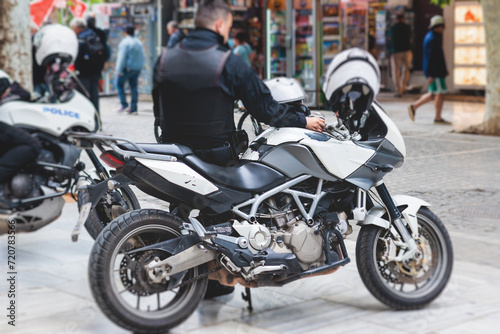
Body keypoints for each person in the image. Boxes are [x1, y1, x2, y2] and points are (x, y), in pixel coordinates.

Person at [152, 0, 324, 298]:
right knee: (223, 215)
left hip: (172, 153)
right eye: (229, 27)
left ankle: (197, 276)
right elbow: (266, 110)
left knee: (182, 212)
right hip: (215, 156)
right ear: (220, 25)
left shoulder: (164, 58)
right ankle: (221, 275)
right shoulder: (227, 62)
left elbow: (158, 107)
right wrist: (304, 120)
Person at [408, 15, 450, 125]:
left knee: (434, 94)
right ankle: (437, 117)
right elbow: (432, 58)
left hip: (436, 71)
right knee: (439, 93)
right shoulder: (433, 39)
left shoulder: (431, 37)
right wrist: (431, 74)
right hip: (436, 72)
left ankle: (415, 107)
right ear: (438, 27)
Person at [70, 17, 106, 115]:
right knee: (94, 95)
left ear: (77, 27)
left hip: (83, 73)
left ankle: (86, 118)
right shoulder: (95, 34)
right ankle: (97, 119)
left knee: (84, 96)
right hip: (96, 71)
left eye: (73, 28)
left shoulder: (80, 39)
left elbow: (76, 57)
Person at [115, 24, 145, 115]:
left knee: (119, 84)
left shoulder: (125, 42)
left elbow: (121, 58)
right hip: (136, 69)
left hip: (127, 69)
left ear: (125, 32)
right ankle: (134, 108)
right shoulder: (139, 42)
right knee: (134, 87)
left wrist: (118, 70)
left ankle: (124, 105)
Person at [389, 12, 412, 97]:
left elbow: (390, 39)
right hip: (407, 50)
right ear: (403, 18)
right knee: (406, 70)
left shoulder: (393, 28)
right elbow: (410, 38)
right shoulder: (407, 27)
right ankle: (403, 88)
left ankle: (398, 91)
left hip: (396, 51)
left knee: (396, 71)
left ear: (396, 19)